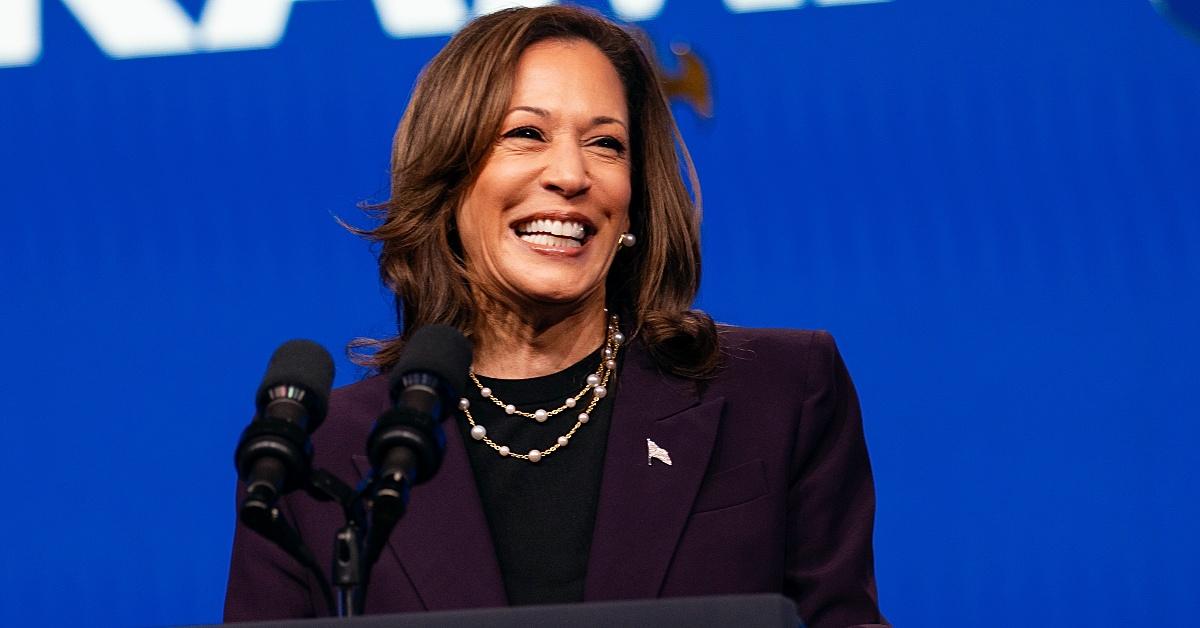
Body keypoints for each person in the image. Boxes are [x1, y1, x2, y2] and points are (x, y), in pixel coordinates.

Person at [224, 6, 886, 627]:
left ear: (635, 199)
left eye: (605, 144)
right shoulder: (325, 457)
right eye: (525, 134)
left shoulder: (778, 391)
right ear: (449, 180)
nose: (570, 174)